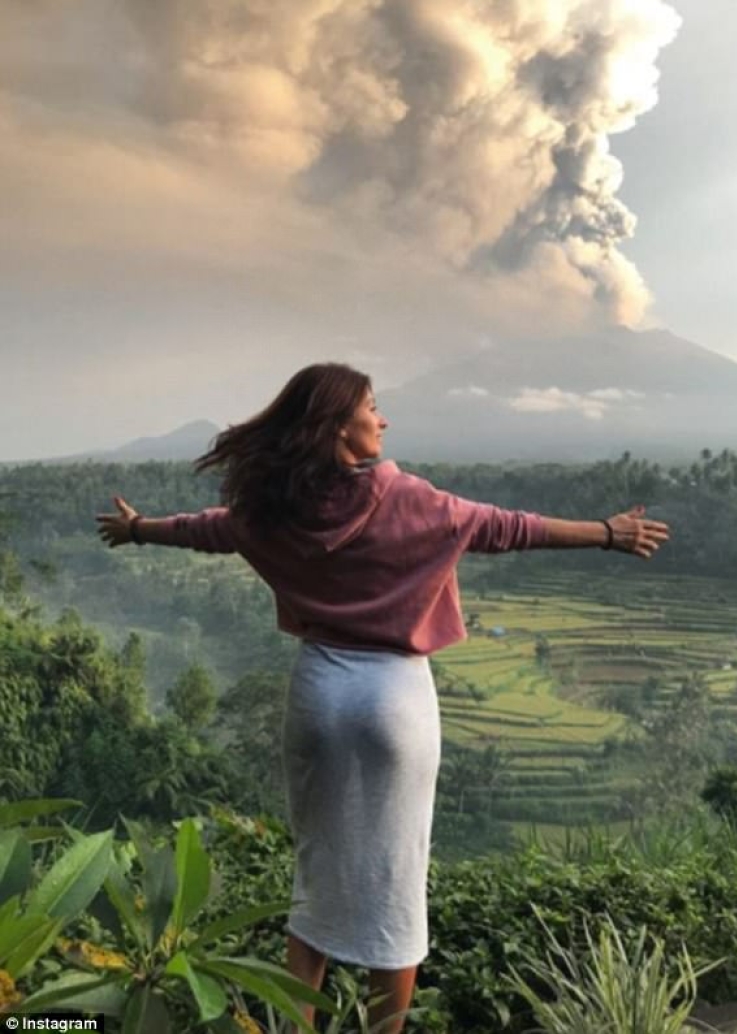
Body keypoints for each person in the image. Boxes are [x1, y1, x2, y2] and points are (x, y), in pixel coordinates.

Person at [96, 362, 669, 1032]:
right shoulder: (407, 498)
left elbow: (206, 530)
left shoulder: (270, 508)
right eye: (373, 407)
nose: (383, 418)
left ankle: (293, 1025)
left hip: (316, 694)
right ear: (340, 427)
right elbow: (506, 527)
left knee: (316, 873)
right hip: (394, 696)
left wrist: (138, 530)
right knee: (396, 879)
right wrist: (606, 532)